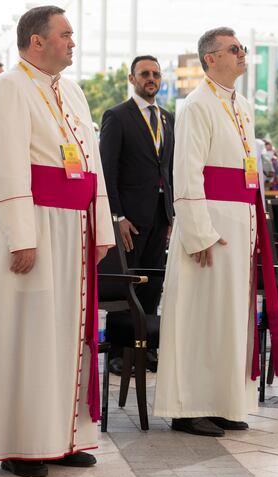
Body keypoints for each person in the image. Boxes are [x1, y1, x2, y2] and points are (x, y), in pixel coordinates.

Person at [0, 4, 115, 477]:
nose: (73, 41)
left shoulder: (71, 90)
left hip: (74, 228)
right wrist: (20, 235)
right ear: (37, 40)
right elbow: (5, 166)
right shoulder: (7, 89)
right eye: (65, 34)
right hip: (35, 223)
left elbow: (91, 163)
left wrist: (101, 226)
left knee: (69, 334)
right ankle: (22, 442)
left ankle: (63, 436)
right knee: (29, 334)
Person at [153, 27, 278, 436]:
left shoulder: (242, 105)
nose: (242, 54)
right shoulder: (197, 104)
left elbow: (249, 173)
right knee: (201, 315)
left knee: (231, 317)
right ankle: (190, 406)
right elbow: (187, 172)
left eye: (242, 48)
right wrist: (198, 233)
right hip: (210, 224)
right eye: (233, 49)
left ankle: (225, 401)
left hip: (240, 221)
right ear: (210, 58)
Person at [99, 54, 174, 375]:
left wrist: (172, 214)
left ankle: (146, 348)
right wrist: (116, 217)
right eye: (144, 73)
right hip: (128, 217)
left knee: (152, 284)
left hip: (160, 214)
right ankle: (118, 351)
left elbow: (168, 168)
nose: (151, 79)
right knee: (126, 283)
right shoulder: (117, 116)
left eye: (156, 74)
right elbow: (107, 169)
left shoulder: (168, 117)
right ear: (132, 79)